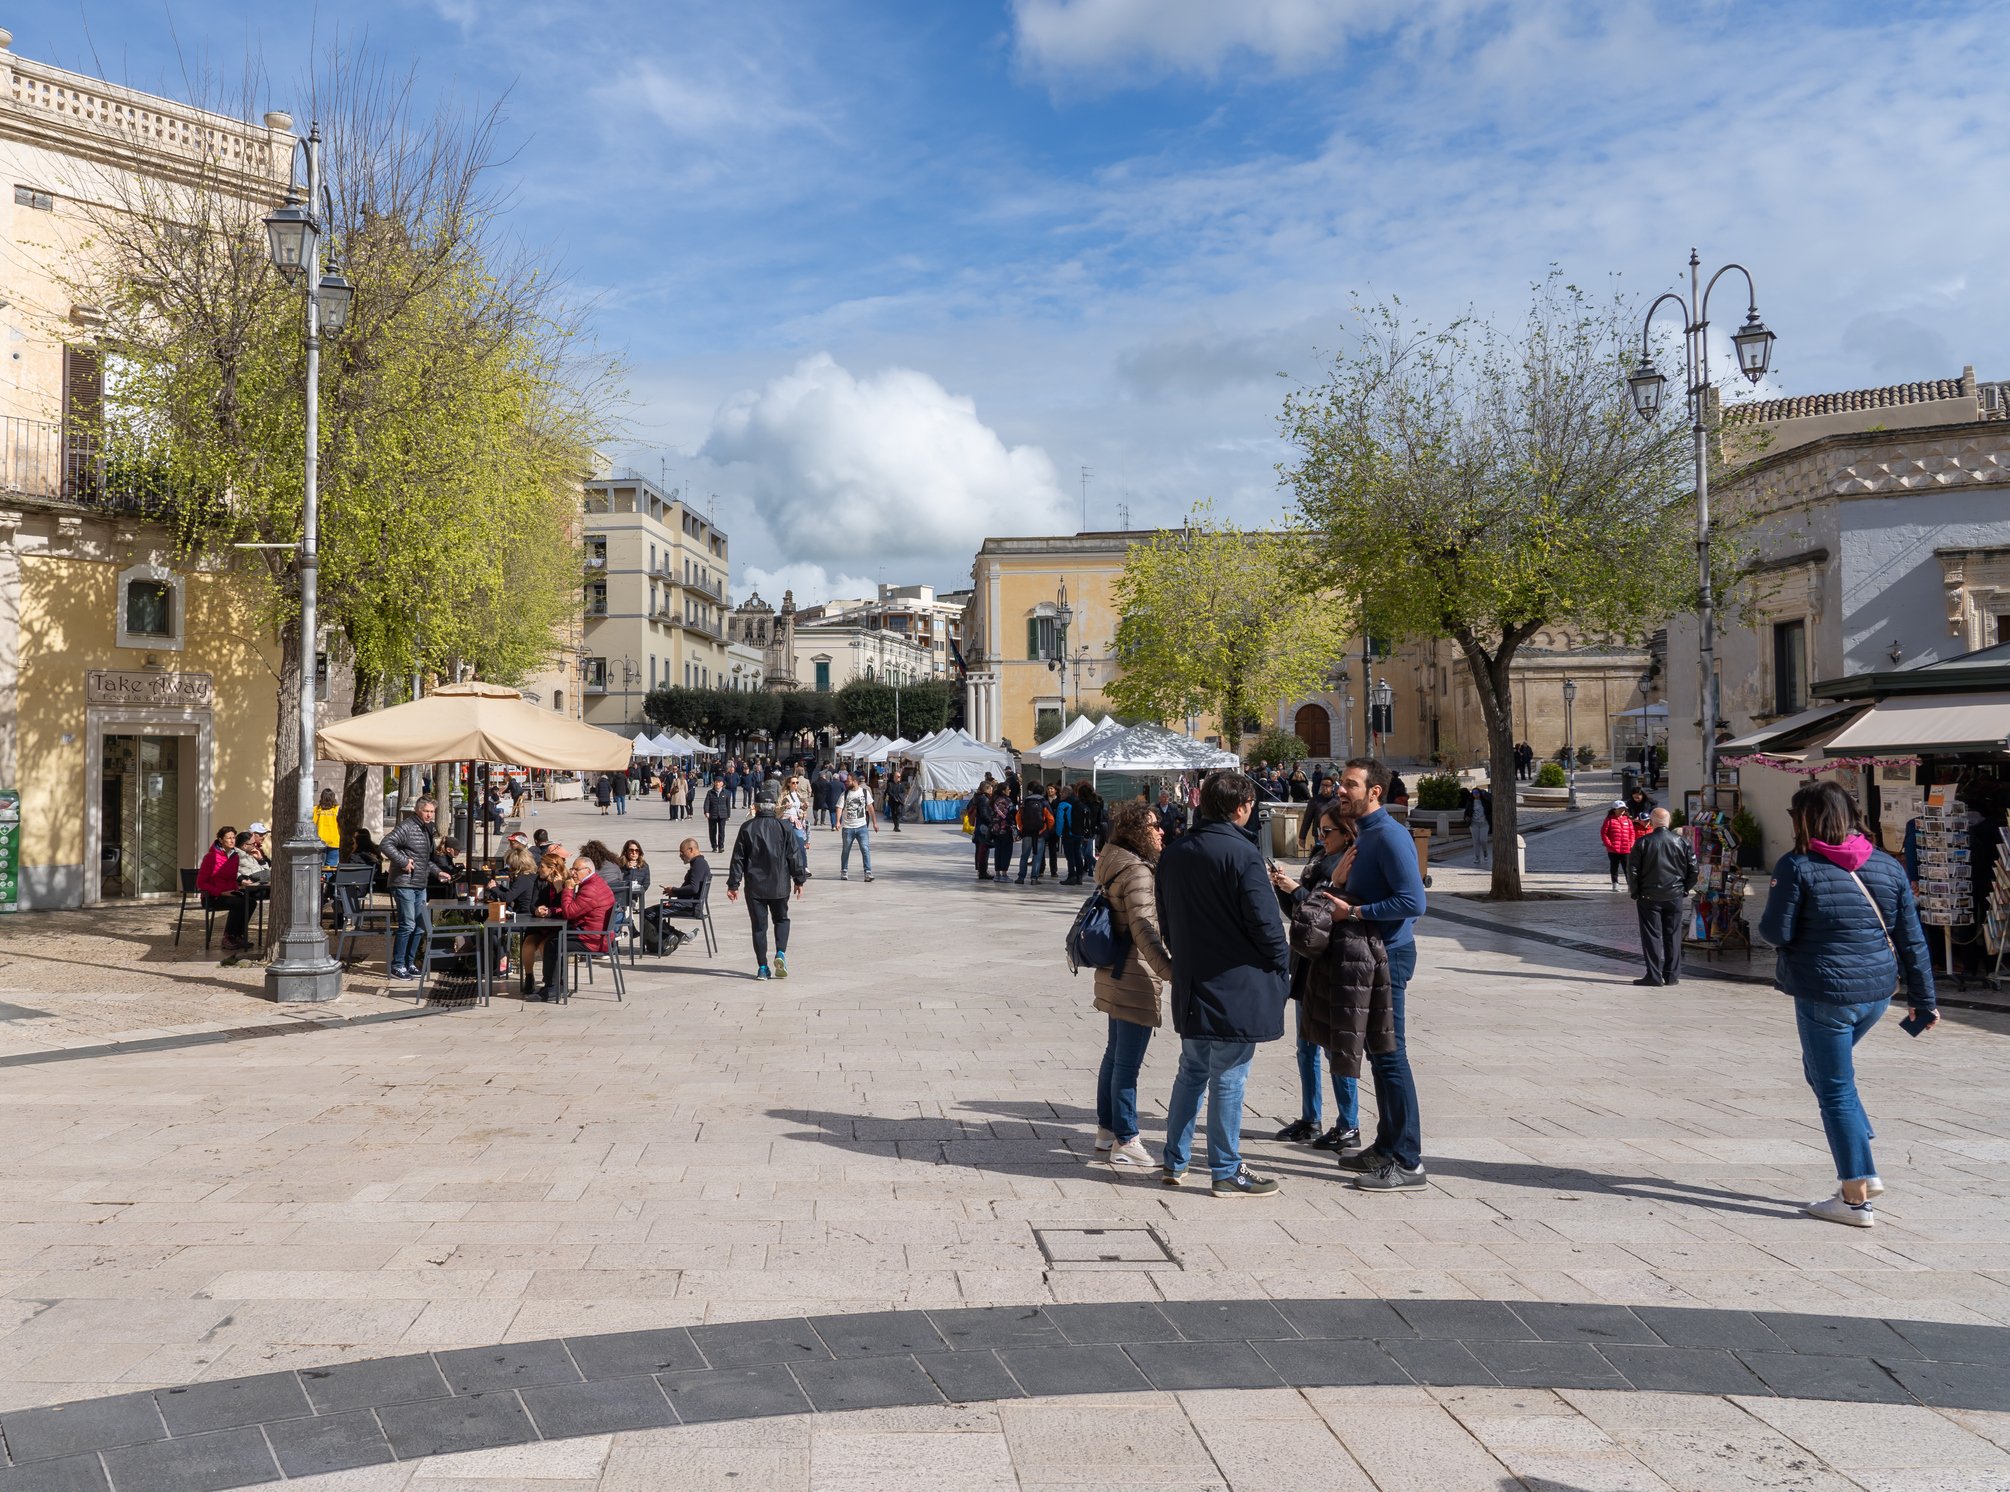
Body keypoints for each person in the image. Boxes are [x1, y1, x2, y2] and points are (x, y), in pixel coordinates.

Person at [1758, 780, 1937, 1227]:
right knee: (1820, 1073)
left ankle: (1857, 1193)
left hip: (1825, 994)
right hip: (1876, 994)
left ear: (1807, 818)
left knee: (1835, 1089)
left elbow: (1775, 933)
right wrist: (1924, 999)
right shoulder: (1887, 866)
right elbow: (1911, 939)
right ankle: (1858, 1146)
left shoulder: (1797, 865)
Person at [1154, 771, 1290, 1197]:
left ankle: (1175, 1161)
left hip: (1193, 979)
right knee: (1229, 1076)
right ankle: (1226, 1168)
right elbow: (1266, 923)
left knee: (1191, 1070)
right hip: (1236, 981)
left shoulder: (1174, 853)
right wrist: (1282, 963)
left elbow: (1167, 920)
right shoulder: (1243, 853)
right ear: (1242, 806)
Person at [1326, 757, 1430, 1192]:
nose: (1340, 792)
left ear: (1374, 792)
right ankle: (1386, 1146)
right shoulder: (1367, 834)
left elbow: (1414, 901)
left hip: (1390, 957)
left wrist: (1357, 911)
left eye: (1350, 785)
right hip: (1370, 957)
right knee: (1378, 1054)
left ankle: (1408, 1161)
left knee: (1390, 1058)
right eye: (1340, 784)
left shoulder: (1388, 835)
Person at [1270, 802, 1361, 1153]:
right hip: (1305, 962)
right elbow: (1301, 914)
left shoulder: (1348, 864)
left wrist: (1296, 890)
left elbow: (1328, 910)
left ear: (1347, 833)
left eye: (1328, 832)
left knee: (1334, 1046)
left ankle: (1348, 1124)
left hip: (1331, 964)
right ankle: (1311, 1118)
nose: (1321, 838)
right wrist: (1284, 887)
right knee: (1306, 1045)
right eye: (1319, 831)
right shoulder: (1318, 862)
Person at [1089, 799, 1176, 1169]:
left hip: (1114, 970)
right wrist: (1170, 969)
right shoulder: (1138, 871)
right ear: (1137, 831)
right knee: (1127, 1063)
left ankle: (1107, 1129)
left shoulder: (1112, 858)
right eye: (1154, 826)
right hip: (1136, 973)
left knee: (1114, 1055)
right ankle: (1126, 1138)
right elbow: (1143, 926)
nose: (1162, 832)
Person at [728, 785, 809, 979]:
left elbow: (738, 858)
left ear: (756, 806)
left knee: (759, 927)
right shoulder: (784, 827)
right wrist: (799, 880)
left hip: (755, 886)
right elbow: (794, 855)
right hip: (780, 884)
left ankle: (762, 967)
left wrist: (733, 884)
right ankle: (780, 952)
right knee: (781, 919)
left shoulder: (747, 827)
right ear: (774, 807)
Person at [1626, 807, 1697, 987]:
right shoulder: (1682, 842)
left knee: (1652, 936)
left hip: (1649, 895)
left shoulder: (1643, 842)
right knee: (1673, 935)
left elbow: (1632, 871)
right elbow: (1693, 870)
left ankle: (1654, 975)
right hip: (1674, 895)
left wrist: (1635, 892)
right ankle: (1672, 975)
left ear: (1651, 822)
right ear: (1668, 822)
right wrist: (1684, 889)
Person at [382, 796, 449, 981]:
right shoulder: (408, 826)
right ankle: (397, 965)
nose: (430, 814)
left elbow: (425, 860)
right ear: (419, 810)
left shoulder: (427, 828)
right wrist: (403, 861)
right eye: (427, 811)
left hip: (420, 883)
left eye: (432, 811)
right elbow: (385, 844)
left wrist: (438, 872)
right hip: (404, 883)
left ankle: (410, 963)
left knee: (420, 926)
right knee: (408, 924)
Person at [538, 854, 614, 1000]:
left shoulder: (590, 889)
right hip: (597, 935)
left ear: (588, 870)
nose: (572, 873)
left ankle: (552, 989)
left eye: (576, 870)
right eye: (572, 869)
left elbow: (569, 913)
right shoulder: (595, 883)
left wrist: (568, 889)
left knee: (553, 944)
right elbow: (577, 908)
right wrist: (551, 911)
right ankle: (555, 986)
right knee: (555, 939)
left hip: (593, 940)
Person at [645, 838, 713, 953]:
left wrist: (675, 891)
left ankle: (674, 935)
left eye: (682, 852)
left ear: (691, 849)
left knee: (649, 913)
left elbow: (693, 888)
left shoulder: (699, 864)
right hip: (688, 904)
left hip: (688, 907)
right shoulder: (698, 863)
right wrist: (673, 891)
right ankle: (673, 936)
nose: (680, 855)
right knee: (651, 911)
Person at [197, 826, 253, 952]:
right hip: (212, 897)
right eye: (228, 838)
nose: (232, 840)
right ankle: (228, 937)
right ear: (221, 840)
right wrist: (221, 892)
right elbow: (201, 883)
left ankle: (237, 935)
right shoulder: (211, 857)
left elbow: (232, 879)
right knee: (239, 904)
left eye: (233, 837)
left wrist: (237, 889)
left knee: (251, 902)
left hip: (229, 894)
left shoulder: (235, 856)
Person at [838, 772, 876, 882]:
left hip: (862, 827)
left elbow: (871, 808)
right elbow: (839, 807)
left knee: (865, 849)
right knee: (846, 850)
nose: (846, 783)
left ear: (854, 781)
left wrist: (874, 822)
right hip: (848, 828)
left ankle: (867, 872)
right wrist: (837, 821)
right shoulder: (844, 794)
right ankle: (844, 870)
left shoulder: (864, 792)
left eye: (848, 781)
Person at [1015, 788, 1053, 884]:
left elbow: (1018, 817)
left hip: (1027, 832)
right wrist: (1047, 829)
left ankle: (1021, 877)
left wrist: (1022, 827)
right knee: (1037, 855)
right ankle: (1034, 878)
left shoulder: (1026, 802)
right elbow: (1051, 818)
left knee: (1024, 855)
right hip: (1040, 832)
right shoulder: (1044, 802)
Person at [1601, 802, 1639, 890]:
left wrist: (1631, 844)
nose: (1622, 811)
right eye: (1620, 809)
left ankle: (1629, 884)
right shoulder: (1609, 820)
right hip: (1613, 849)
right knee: (1614, 867)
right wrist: (1609, 845)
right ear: (1614, 810)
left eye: (1623, 809)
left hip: (1626, 849)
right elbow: (1604, 833)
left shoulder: (1628, 820)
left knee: (1627, 867)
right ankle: (1615, 883)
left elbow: (1632, 833)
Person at [986, 783, 1017, 881]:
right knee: (1006, 852)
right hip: (1005, 829)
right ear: (1003, 790)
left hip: (995, 830)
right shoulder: (1007, 801)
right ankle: (1004, 874)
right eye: (1008, 789)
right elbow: (1012, 814)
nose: (1010, 790)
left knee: (998, 851)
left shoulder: (993, 800)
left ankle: (997, 874)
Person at [703, 775, 733, 853]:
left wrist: (728, 815)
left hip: (722, 814)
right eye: (716, 782)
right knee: (712, 831)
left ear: (722, 784)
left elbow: (728, 805)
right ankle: (714, 846)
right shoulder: (710, 793)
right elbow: (706, 803)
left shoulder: (726, 793)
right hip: (712, 814)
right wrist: (706, 811)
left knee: (721, 831)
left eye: (719, 782)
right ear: (714, 783)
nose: (717, 784)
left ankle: (721, 846)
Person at [313, 789, 341, 869]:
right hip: (334, 841)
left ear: (321, 797)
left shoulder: (316, 809)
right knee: (331, 867)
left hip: (319, 842)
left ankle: (319, 881)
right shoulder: (337, 809)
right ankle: (327, 880)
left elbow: (313, 824)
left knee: (319, 867)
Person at [1466, 782, 1492, 865]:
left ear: (1480, 794)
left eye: (1477, 793)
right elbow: (1466, 812)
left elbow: (1490, 811)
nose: (1476, 794)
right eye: (1474, 793)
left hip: (1484, 823)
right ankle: (1477, 857)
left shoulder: (1485, 802)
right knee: (1476, 841)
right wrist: (1467, 818)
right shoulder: (1470, 803)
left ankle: (1485, 853)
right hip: (1474, 824)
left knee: (1483, 840)